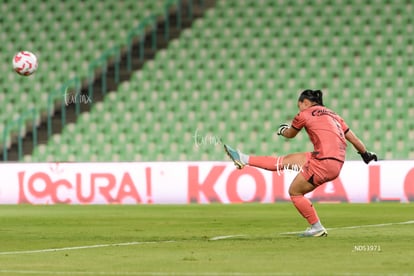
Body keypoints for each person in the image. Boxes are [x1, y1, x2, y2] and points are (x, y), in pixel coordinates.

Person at [224, 89, 377, 237]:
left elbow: (290, 134)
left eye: (299, 105)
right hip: (331, 159)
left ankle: (316, 227)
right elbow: (354, 139)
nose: (299, 108)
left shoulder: (304, 114)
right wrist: (365, 154)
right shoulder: (334, 115)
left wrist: (282, 130)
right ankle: (242, 158)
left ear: (304, 102)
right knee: (283, 162)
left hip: (323, 162)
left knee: (295, 192)